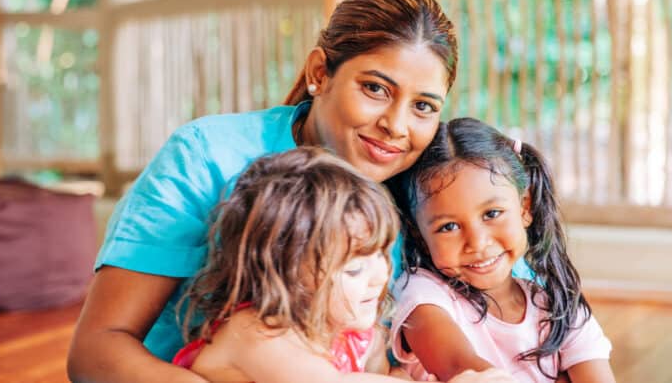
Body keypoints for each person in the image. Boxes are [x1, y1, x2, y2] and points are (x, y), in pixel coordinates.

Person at [67, 0, 461, 383]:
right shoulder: (208, 157)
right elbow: (96, 352)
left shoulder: (423, 194)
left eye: (423, 106)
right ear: (320, 73)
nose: (395, 126)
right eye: (375, 88)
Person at [168, 147, 516, 383]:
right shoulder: (256, 333)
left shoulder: (354, 329)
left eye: (381, 253)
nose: (378, 277)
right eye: (353, 270)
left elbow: (379, 374)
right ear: (285, 275)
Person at [386, 118, 615, 383]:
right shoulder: (421, 295)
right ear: (419, 234)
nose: (478, 243)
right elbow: (462, 369)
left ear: (524, 208)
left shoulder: (559, 307)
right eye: (448, 226)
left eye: (492, 213)